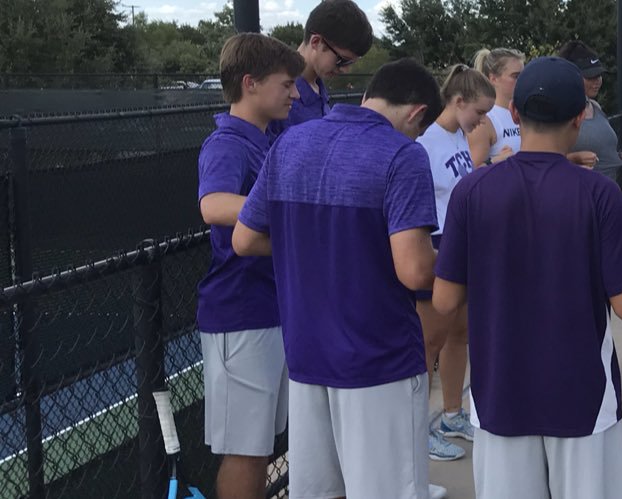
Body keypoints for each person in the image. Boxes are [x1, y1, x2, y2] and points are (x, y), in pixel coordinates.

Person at [431, 56, 622, 499]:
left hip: (499, 395)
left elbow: (444, 301)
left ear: (514, 113)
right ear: (579, 117)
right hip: (582, 399)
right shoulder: (599, 194)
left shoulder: (472, 191)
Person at [232, 58, 445, 499]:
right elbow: (415, 269)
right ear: (417, 113)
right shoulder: (403, 154)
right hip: (379, 360)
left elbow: (244, 239)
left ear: (368, 95)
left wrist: (313, 244)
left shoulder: (291, 142)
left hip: (307, 357)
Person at [196, 33, 302, 499]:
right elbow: (213, 205)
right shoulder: (227, 143)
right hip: (240, 315)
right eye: (286, 84)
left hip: (270, 308)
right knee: (245, 449)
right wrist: (289, 210)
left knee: (261, 446)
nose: (294, 94)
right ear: (250, 83)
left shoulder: (266, 140)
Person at [414, 64, 495, 463]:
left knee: (459, 333)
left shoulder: (459, 136)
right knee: (428, 341)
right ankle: (416, 431)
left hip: (459, 241)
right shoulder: (425, 143)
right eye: (478, 112)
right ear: (458, 101)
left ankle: (450, 414)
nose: (482, 122)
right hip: (435, 242)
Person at [266, 0, 373, 140]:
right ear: (316, 42)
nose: (345, 70)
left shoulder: (319, 89)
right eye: (342, 60)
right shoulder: (275, 95)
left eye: (351, 63)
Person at [559, 41, 622, 188]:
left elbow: (603, 148)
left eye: (599, 75)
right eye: (590, 76)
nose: (597, 81)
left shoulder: (595, 106)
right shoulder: (558, 111)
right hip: (577, 194)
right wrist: (573, 159)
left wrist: (621, 157)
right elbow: (542, 159)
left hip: (606, 194)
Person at [469, 48, 526, 165]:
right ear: (493, 79)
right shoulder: (485, 119)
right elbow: (473, 171)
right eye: (515, 76)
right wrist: (495, 161)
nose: (522, 81)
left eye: (523, 76)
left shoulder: (526, 113)